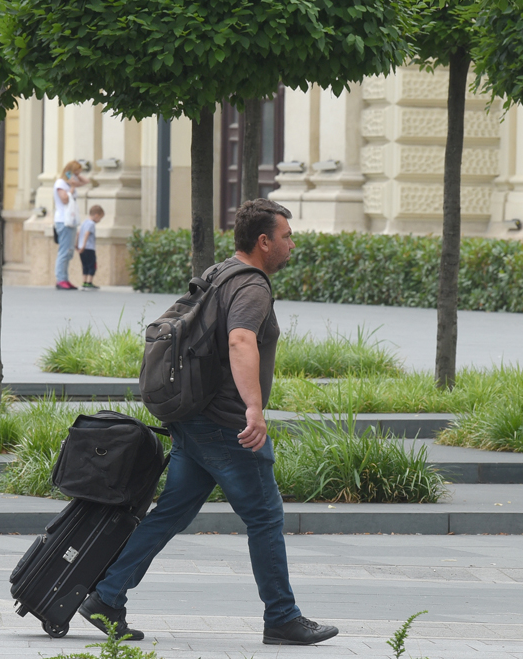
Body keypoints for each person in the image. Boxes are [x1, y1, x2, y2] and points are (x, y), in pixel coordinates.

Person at [78, 199, 338, 646]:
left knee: (170, 515)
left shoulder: (220, 273)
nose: (291, 244)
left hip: (194, 419)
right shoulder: (252, 286)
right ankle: (281, 617)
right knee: (265, 517)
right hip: (226, 424)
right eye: (287, 236)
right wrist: (253, 408)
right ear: (264, 241)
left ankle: (106, 596)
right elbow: (240, 340)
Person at [53, 160, 87, 290]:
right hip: (63, 220)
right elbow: (65, 199)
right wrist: (72, 187)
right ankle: (60, 279)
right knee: (64, 250)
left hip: (70, 220)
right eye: (76, 171)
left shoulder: (68, 182)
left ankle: (65, 278)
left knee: (68, 251)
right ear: (70, 171)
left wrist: (76, 178)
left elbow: (87, 181)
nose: (78, 174)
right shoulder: (61, 183)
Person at [77, 204, 104, 290]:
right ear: (96, 215)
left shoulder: (84, 222)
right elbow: (87, 234)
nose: (99, 220)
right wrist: (84, 245)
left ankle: (84, 282)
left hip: (81, 247)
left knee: (84, 265)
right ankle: (89, 282)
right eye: (100, 218)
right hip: (89, 248)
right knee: (92, 265)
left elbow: (78, 233)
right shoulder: (91, 224)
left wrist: (77, 244)